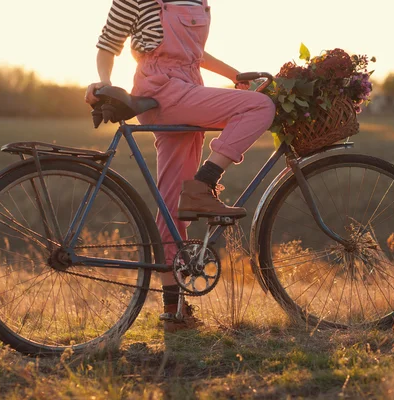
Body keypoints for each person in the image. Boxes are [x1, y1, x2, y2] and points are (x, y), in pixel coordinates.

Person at [85, 0, 275, 332]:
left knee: (171, 202)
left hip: (188, 88)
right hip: (161, 90)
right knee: (259, 107)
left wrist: (235, 76)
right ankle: (205, 182)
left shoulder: (200, 2)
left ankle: (174, 310)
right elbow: (108, 42)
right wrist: (104, 82)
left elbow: (196, 54)